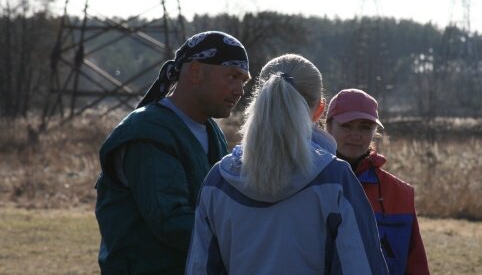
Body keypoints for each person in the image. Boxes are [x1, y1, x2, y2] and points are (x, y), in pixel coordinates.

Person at [185, 54, 389, 275]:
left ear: (259, 103)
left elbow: (200, 267)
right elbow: (360, 267)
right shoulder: (336, 179)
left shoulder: (218, 181)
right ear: (319, 110)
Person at [94, 31, 251, 275]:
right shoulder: (148, 133)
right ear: (196, 71)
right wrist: (250, 238)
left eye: (244, 81)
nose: (240, 90)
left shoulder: (212, 132)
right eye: (232, 77)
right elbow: (171, 222)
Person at [325, 88, 430, 275]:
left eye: (365, 127)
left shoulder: (400, 193)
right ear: (328, 127)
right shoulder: (309, 183)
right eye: (347, 125)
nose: (355, 135)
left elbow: (416, 265)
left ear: (374, 132)